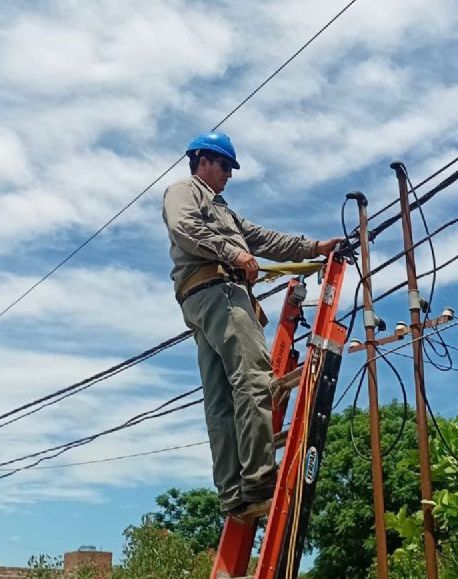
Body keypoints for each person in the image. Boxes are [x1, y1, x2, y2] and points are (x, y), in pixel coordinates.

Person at [162, 132, 340, 516]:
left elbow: (264, 239)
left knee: (221, 399)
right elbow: (184, 228)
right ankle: (258, 478)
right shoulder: (184, 191)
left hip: (205, 299)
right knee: (255, 379)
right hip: (220, 293)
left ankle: (232, 492)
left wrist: (313, 248)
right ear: (202, 160)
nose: (229, 174)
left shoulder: (224, 211)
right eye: (225, 166)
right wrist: (234, 254)